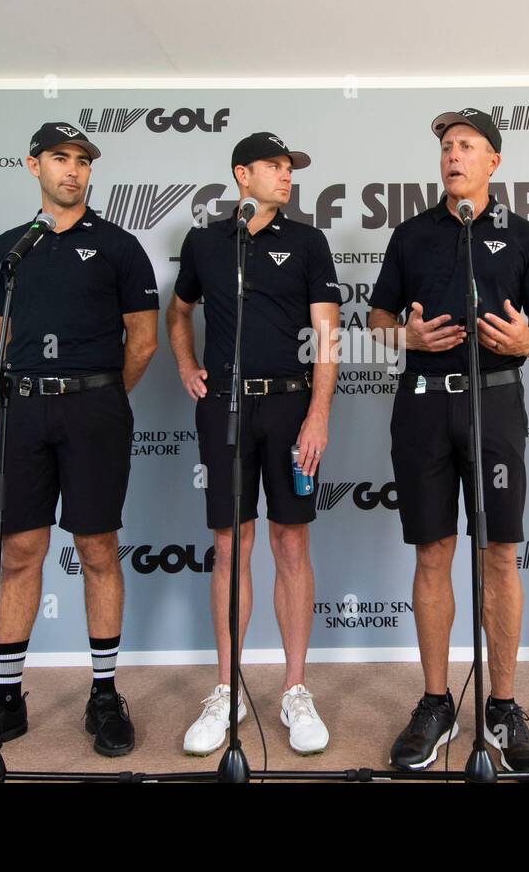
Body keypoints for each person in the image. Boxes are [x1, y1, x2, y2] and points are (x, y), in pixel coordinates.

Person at [0, 122, 159, 768]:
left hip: (95, 409)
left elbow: (142, 341)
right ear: (33, 166)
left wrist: (100, 391)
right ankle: (5, 701)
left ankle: (104, 695)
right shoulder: (9, 248)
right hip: (22, 411)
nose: (74, 171)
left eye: (83, 161)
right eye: (61, 159)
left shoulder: (118, 246)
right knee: (20, 550)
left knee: (97, 547)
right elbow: (4, 334)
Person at [367, 109, 529, 772]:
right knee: (432, 556)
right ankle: (434, 702)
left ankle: (502, 706)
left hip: (497, 404)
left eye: (467, 145)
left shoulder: (525, 235)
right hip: (421, 407)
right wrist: (405, 338)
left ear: (493, 162)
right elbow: (377, 316)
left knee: (500, 555)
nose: (454, 155)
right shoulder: (411, 234)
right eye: (447, 146)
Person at [166, 132, 340, 755]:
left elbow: (327, 334)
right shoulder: (207, 242)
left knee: (290, 539)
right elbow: (179, 310)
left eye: (291, 166)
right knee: (228, 542)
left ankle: (295, 688)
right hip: (225, 406)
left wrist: (317, 415)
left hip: (291, 403)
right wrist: (187, 365)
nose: (286, 175)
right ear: (242, 175)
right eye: (274, 166)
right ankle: (227, 687)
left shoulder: (308, 241)